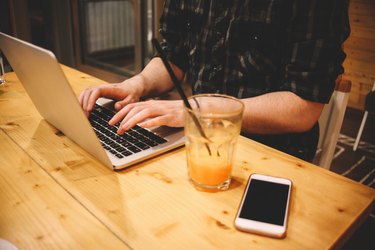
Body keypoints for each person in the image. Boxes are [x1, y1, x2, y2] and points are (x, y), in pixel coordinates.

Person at [79, 0, 350, 162]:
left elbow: (302, 107)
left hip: (271, 154)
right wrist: (136, 85)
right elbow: (173, 57)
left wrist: (199, 107)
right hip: (196, 140)